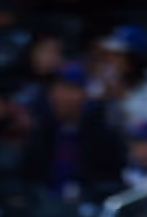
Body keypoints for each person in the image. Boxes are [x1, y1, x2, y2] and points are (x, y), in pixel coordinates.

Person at [18, 62, 124, 197]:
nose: (60, 96)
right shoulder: (40, 129)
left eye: (68, 89)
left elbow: (111, 181)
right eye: (56, 89)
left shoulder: (103, 134)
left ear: (84, 94)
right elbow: (27, 177)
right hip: (43, 207)